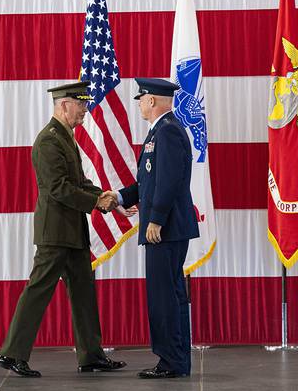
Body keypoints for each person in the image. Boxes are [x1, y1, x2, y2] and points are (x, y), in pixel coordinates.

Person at [0, 81, 126, 377]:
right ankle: (12, 354)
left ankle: (91, 356)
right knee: (39, 289)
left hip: (71, 231)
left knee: (83, 291)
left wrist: (111, 199)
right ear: (64, 104)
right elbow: (58, 189)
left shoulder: (66, 138)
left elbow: (78, 182)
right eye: (80, 104)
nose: (84, 109)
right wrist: (98, 202)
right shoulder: (48, 140)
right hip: (55, 232)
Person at [114, 78, 200, 379]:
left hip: (165, 228)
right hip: (165, 226)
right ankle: (174, 360)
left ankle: (171, 362)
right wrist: (120, 197)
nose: (138, 104)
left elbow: (170, 180)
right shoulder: (159, 132)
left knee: (165, 297)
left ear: (151, 100)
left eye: (140, 99)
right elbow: (149, 182)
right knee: (168, 294)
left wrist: (156, 218)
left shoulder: (168, 131)